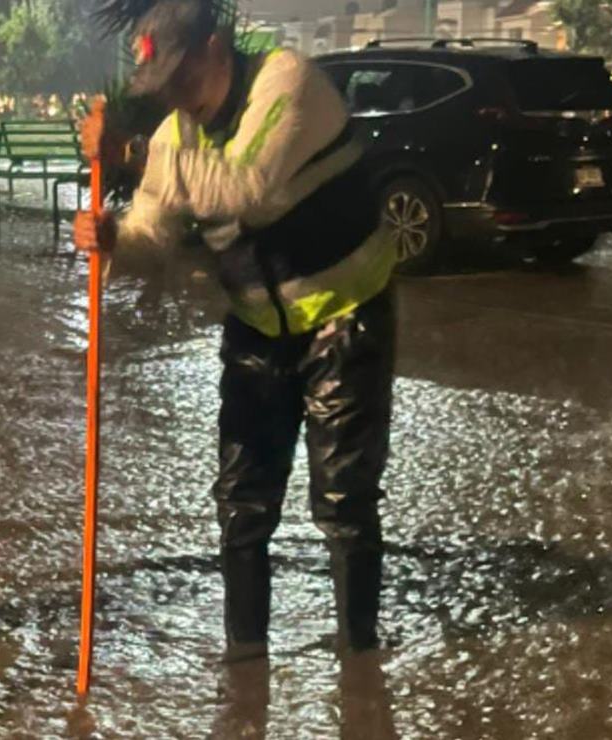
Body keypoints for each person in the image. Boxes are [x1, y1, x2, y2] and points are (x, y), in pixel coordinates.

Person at [76, 0, 397, 658]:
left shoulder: (290, 83)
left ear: (217, 47)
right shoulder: (176, 138)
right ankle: (244, 664)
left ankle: (359, 663)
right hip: (256, 324)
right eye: (164, 89)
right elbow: (153, 238)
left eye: (183, 80)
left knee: (342, 499)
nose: (177, 100)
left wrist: (131, 153)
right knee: (241, 502)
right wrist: (112, 238)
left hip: (345, 315)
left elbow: (246, 187)